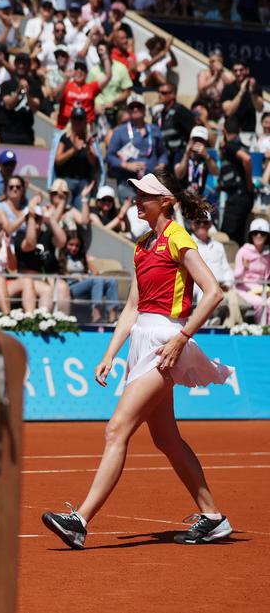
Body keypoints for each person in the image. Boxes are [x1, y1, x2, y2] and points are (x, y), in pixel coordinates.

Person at [41, 169, 234, 549]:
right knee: (166, 439)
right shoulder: (142, 245)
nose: (136, 200)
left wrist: (181, 340)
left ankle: (79, 521)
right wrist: (109, 354)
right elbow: (133, 307)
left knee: (116, 430)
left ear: (165, 202)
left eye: (143, 195)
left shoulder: (178, 237)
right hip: (143, 341)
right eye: (136, 194)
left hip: (165, 341)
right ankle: (213, 517)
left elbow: (213, 293)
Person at [106, 94, 169, 199]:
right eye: (131, 107)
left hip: (151, 182)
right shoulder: (119, 131)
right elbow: (110, 156)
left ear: (144, 110)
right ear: (128, 111)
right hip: (128, 183)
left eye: (138, 106)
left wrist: (161, 165)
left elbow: (163, 153)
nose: (135, 109)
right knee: (132, 212)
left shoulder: (154, 130)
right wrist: (127, 165)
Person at [14, 203, 70, 312]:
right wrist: (31, 218)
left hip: (47, 276)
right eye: (32, 218)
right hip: (27, 278)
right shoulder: (20, 235)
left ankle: (63, 321)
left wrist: (51, 220)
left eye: (38, 218)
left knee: (63, 288)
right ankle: (42, 320)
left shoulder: (47, 235)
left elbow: (62, 242)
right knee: (47, 290)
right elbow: (30, 243)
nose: (35, 221)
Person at [191, 213, 242, 327]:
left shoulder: (218, 246)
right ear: (193, 225)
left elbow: (227, 269)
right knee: (204, 290)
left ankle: (217, 323)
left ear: (210, 224)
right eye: (198, 222)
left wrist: (227, 283)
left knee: (230, 294)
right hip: (196, 286)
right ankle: (207, 321)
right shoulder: (188, 243)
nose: (202, 225)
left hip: (219, 286)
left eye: (205, 222)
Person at [60, 230, 118, 323]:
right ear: (65, 244)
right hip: (70, 287)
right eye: (71, 245)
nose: (74, 248)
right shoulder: (61, 257)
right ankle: (96, 313)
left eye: (77, 246)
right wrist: (72, 276)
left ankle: (113, 315)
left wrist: (87, 274)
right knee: (97, 280)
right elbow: (60, 274)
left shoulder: (83, 258)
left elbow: (96, 273)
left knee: (111, 280)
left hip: (86, 284)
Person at [217, 117, 254, 246]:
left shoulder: (230, 145)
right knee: (238, 237)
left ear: (224, 131)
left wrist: (249, 182)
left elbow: (247, 159)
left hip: (238, 198)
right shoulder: (240, 145)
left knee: (227, 236)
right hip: (241, 197)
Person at [56, 51, 112, 130]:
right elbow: (56, 97)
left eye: (82, 69)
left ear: (86, 74)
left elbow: (108, 77)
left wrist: (106, 57)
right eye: (76, 69)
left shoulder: (91, 87)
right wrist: (65, 80)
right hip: (65, 127)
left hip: (85, 128)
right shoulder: (66, 85)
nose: (79, 71)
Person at [234, 218, 270, 325]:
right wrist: (245, 269)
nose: (258, 236)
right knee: (261, 303)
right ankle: (262, 330)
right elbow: (236, 278)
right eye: (255, 233)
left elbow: (267, 278)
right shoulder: (243, 251)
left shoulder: (268, 254)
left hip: (263, 289)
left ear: (267, 236)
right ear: (251, 235)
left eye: (262, 234)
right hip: (244, 288)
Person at [174, 126, 218, 201]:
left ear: (205, 143)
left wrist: (206, 156)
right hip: (182, 199)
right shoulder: (181, 153)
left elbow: (215, 172)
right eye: (195, 140)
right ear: (190, 140)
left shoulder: (208, 157)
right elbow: (179, 175)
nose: (197, 143)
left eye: (201, 141)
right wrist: (186, 155)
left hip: (199, 199)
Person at [221, 60, 263, 133]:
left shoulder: (254, 86)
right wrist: (241, 92)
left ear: (247, 70)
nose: (238, 73)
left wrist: (252, 93)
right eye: (235, 70)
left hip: (249, 132)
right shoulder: (227, 89)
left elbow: (259, 108)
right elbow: (228, 112)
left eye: (241, 70)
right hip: (231, 133)